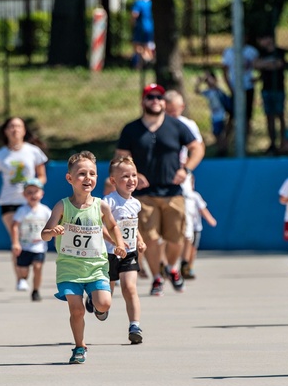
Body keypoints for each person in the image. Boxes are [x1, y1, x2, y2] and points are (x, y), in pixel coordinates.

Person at [115, 83, 204, 296]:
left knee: (176, 238)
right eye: (150, 97)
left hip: (173, 191)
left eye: (159, 97)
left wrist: (187, 169)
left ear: (164, 102)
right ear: (143, 101)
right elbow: (120, 157)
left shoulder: (176, 126)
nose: (155, 101)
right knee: (150, 239)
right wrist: (133, 174)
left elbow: (197, 148)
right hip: (144, 194)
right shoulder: (132, 129)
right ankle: (157, 277)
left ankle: (172, 268)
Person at [40, 151, 127, 364]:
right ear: (70, 179)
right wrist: (53, 231)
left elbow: (113, 225)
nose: (88, 178)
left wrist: (120, 243)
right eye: (81, 174)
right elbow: (44, 234)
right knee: (76, 311)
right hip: (69, 267)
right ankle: (79, 346)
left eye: (92, 174)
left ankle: (97, 306)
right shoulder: (62, 206)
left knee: (104, 303)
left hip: (95, 265)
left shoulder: (101, 205)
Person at [0, 117, 48, 289]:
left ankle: (27, 267)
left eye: (18, 126)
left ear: (24, 130)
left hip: (29, 201)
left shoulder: (33, 151)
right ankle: (20, 277)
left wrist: (34, 188)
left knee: (28, 236)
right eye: (11, 127)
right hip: (9, 202)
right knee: (17, 237)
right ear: (5, 131)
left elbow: (42, 176)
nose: (15, 130)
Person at [103, 156, 147, 344]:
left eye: (133, 175)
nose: (131, 180)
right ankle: (99, 305)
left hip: (129, 254)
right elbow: (101, 226)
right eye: (125, 176)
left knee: (130, 288)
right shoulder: (108, 202)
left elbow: (132, 224)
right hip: (110, 253)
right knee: (108, 293)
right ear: (113, 181)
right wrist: (115, 241)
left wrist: (140, 240)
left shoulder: (136, 203)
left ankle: (134, 325)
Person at [10, 178, 51, 301]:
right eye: (29, 192)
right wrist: (16, 243)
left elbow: (52, 224)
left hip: (39, 246)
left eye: (36, 191)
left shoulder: (45, 211)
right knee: (24, 271)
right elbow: (15, 226)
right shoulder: (22, 211)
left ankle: (36, 291)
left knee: (38, 267)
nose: (33, 195)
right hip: (25, 246)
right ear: (24, 194)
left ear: (41, 193)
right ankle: (22, 278)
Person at [221, 35, 259, 153]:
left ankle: (245, 146)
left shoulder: (251, 51)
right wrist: (231, 87)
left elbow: (259, 66)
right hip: (235, 89)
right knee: (232, 117)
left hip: (248, 88)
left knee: (247, 117)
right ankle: (224, 145)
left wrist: (257, 78)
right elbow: (225, 71)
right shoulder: (228, 52)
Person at [254, 33, 287, 154]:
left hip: (278, 88)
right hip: (266, 88)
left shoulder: (280, 51)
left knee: (280, 115)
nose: (262, 41)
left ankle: (283, 142)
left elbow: (279, 64)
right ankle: (272, 143)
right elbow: (256, 64)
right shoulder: (261, 53)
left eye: (264, 38)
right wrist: (270, 64)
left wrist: (265, 65)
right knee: (269, 116)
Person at [180, 175, 216, 280]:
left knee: (193, 249)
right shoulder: (180, 197)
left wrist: (210, 219)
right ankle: (182, 266)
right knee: (183, 246)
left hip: (196, 228)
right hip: (185, 228)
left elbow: (202, 209)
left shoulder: (195, 196)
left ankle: (189, 267)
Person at [195, 69, 230, 156]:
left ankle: (224, 149)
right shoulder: (208, 92)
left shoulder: (218, 91)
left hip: (222, 115)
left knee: (222, 133)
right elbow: (197, 91)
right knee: (216, 133)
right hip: (214, 115)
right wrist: (200, 81)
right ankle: (220, 149)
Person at [130, 0, 155, 68]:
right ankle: (149, 61)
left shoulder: (138, 2)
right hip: (150, 27)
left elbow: (134, 14)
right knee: (147, 46)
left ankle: (140, 63)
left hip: (140, 27)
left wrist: (132, 23)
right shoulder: (150, 3)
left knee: (137, 46)